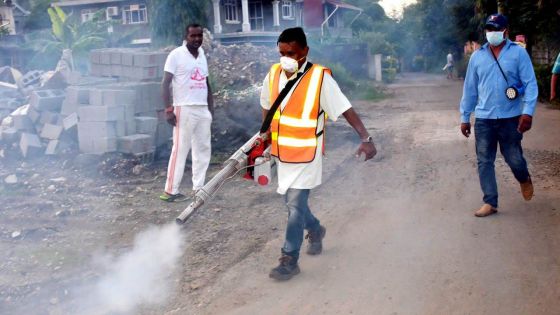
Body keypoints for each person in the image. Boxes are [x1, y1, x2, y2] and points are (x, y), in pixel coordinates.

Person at [260, 27, 377, 280]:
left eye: (291, 53)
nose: (285, 58)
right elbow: (267, 107)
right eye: (281, 53)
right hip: (282, 154)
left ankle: (289, 259)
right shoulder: (273, 74)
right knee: (292, 204)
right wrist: (265, 137)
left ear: (305, 51)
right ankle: (315, 228)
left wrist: (365, 138)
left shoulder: (319, 78)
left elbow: (345, 108)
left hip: (306, 154)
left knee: (294, 205)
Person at [459, 14, 537, 217]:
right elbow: (470, 89)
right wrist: (465, 117)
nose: (492, 33)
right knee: (484, 161)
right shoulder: (477, 57)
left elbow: (530, 84)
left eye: (496, 29)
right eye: (489, 29)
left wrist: (527, 113)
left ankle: (524, 178)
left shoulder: (518, 54)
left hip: (510, 117)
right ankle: (490, 202)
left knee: (514, 159)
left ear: (506, 31)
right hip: (484, 118)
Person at [160, 24, 214, 202]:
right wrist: (168, 109)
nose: (197, 39)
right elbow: (165, 83)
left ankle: (199, 188)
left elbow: (207, 84)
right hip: (184, 107)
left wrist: (210, 109)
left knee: (202, 149)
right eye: (193, 36)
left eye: (199, 36)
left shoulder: (202, 55)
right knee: (180, 149)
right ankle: (171, 191)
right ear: (186, 36)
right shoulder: (176, 55)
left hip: (202, 108)